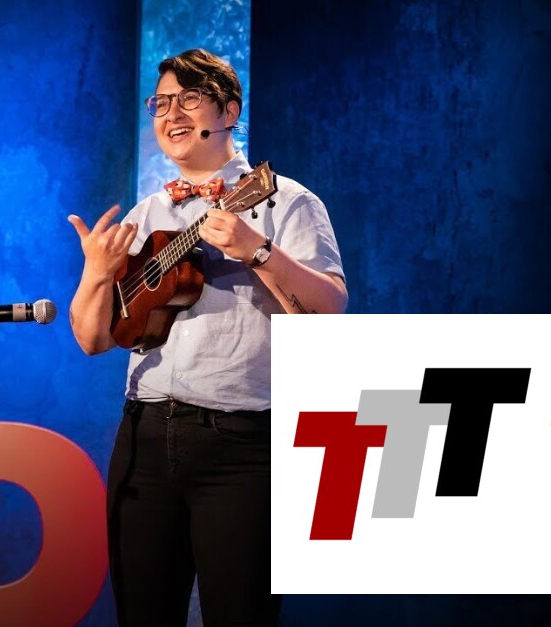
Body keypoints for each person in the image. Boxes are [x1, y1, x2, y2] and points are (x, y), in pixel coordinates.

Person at [68, 48, 347, 626]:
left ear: (229, 111)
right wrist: (95, 275)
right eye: (161, 103)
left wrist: (257, 250)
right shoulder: (145, 213)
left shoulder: (285, 200)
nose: (171, 114)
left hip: (242, 444)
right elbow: (93, 340)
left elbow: (328, 316)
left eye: (189, 99)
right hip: (144, 435)